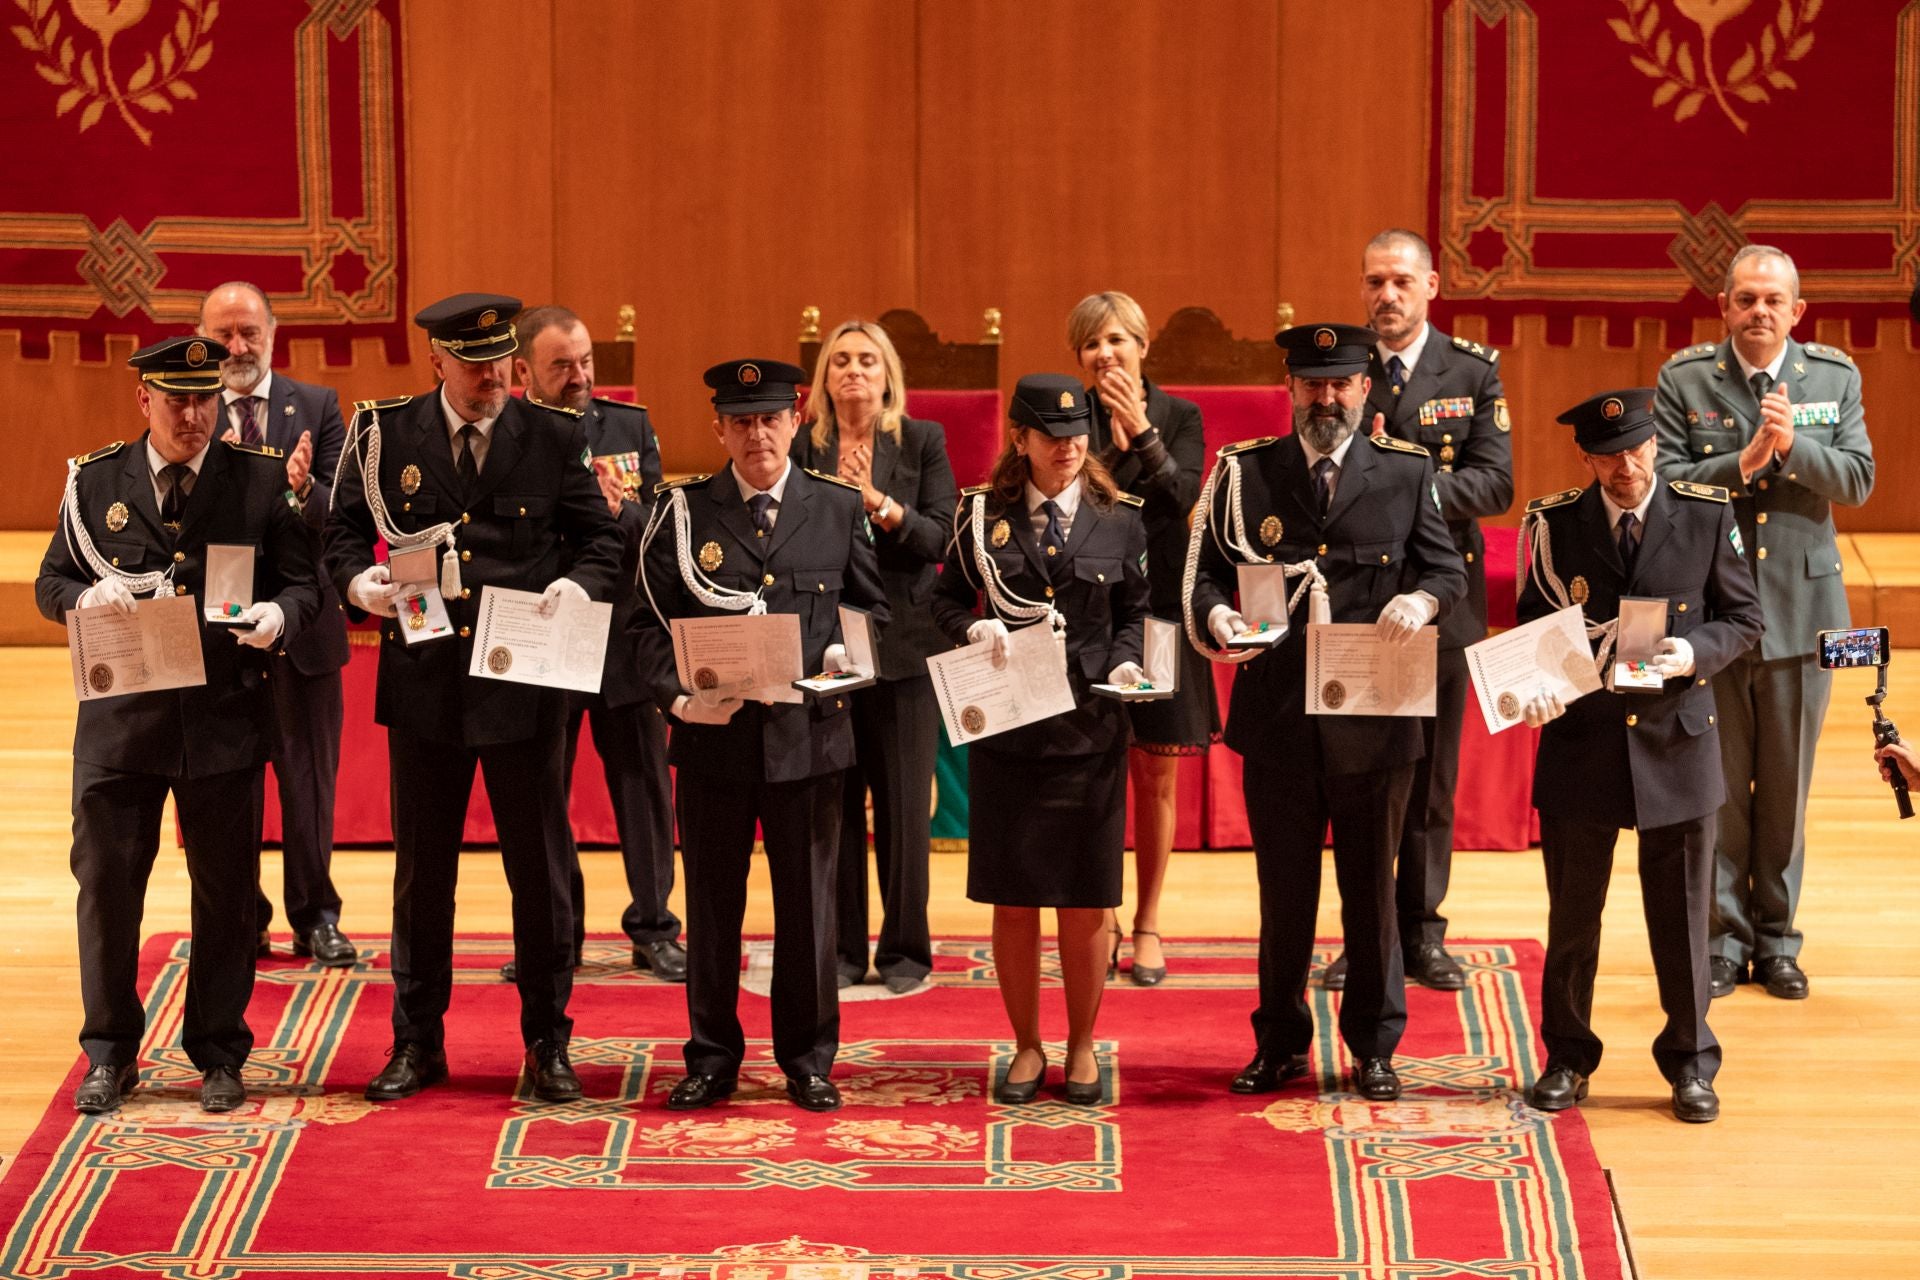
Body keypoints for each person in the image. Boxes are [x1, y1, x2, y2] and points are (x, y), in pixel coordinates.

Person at [323, 293, 624, 1103]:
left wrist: (574, 585)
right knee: (424, 875)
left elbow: (603, 538)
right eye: (475, 362)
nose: (492, 376)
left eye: (500, 361)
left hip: (524, 686)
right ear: (438, 362)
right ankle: (417, 1043)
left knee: (541, 870)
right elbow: (342, 529)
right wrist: (361, 582)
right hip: (425, 683)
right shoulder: (386, 434)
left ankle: (547, 1042)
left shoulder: (554, 436)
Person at [36, 337, 321, 1114]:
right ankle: (109, 1051)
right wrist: (79, 602)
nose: (193, 415)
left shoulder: (257, 481)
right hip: (120, 724)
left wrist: (278, 616)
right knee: (106, 890)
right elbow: (52, 579)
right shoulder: (96, 482)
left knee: (226, 896)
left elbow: (304, 585)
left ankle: (219, 1050)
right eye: (177, 400)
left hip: (221, 721)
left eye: (205, 399)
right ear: (145, 402)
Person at [1186, 322, 1465, 1102]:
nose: (1327, 398)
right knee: (1284, 894)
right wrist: (1217, 620)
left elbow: (1448, 570)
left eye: (1341, 384)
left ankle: (1375, 1046)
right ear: (1291, 390)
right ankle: (1279, 1043)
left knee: (1373, 892)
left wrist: (1421, 595)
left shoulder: (1405, 473)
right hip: (1278, 717)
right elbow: (1204, 576)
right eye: (1312, 385)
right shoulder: (1245, 475)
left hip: (1377, 716)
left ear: (1365, 390)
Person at [631, 358, 888, 1114]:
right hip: (715, 742)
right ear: (718, 428)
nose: (757, 435)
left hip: (809, 740)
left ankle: (808, 1059)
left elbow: (871, 613)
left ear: (796, 419)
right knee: (713, 907)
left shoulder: (837, 508)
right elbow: (644, 631)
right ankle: (712, 1057)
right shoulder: (681, 514)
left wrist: (848, 659)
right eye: (740, 421)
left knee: (809, 908)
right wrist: (678, 700)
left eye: (770, 418)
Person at [1518, 387, 1763, 1123]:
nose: (1626, 465)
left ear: (1656, 445)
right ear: (1586, 457)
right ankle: (1566, 1056)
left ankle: (1690, 1061)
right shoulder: (1553, 524)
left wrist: (1694, 651)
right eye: (1609, 454)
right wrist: (1531, 686)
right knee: (1573, 920)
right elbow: (1535, 625)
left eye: (1636, 449)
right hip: (1582, 744)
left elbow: (1745, 617)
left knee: (1685, 918)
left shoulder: (1706, 512)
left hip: (1676, 742)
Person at [1653, 244, 1875, 1000]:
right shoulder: (1686, 380)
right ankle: (1722, 940)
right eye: (1746, 299)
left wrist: (1794, 447)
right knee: (1718, 788)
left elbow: (1860, 478)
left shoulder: (1833, 378)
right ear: (1723, 307)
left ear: (1796, 311)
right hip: (1717, 617)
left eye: (1773, 300)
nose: (1759, 312)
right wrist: (1741, 464)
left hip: (1805, 615)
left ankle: (1778, 939)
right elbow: (1666, 482)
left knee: (1786, 790)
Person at [932, 375, 1151, 1105]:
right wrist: (971, 625)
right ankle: (1026, 1045)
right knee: (1015, 899)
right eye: (1050, 436)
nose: (1067, 448)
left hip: (1090, 731)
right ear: (1020, 441)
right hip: (1009, 733)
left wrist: (1126, 656)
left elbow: (1136, 612)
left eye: (1077, 435)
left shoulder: (1117, 517)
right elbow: (939, 599)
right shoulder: (978, 517)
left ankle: (1083, 1045)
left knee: (1086, 901)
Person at [1319, 230, 1513, 993]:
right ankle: (1363, 936)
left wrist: (1400, 488)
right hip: (1358, 611)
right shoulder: (1340, 372)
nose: (1386, 295)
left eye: (1401, 281)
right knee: (1361, 782)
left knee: (1431, 781)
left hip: (1440, 604)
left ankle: (1423, 932)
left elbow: (1495, 484)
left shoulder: (1470, 371)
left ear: (1432, 287)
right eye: (1374, 281)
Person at [504, 304, 684, 984]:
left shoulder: (629, 427)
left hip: (623, 632)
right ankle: (557, 934)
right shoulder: (511, 434)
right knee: (542, 786)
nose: (579, 376)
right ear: (524, 371)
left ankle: (654, 927)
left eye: (585, 362)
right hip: (547, 632)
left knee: (642, 785)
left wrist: (624, 512)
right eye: (561, 366)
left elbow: (661, 524)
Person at [791, 320, 957, 994]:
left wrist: (879, 505)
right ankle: (841, 950)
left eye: (867, 360)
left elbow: (939, 538)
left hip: (906, 644)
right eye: (840, 361)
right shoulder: (804, 446)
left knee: (902, 806)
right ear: (825, 379)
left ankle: (905, 951)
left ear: (888, 375)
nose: (854, 370)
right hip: (829, 643)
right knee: (834, 801)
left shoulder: (920, 442)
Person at [196, 281, 357, 969]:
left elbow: (345, 511)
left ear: (273, 333)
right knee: (228, 784)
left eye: (248, 332)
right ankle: (242, 916)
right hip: (221, 631)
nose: (236, 346)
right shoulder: (188, 404)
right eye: (224, 333)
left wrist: (302, 490)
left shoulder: (316, 406)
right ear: (202, 335)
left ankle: (315, 914)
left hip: (304, 627)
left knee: (307, 784)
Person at [1068, 291, 1214, 987]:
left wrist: (1140, 429)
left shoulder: (1181, 416)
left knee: (1156, 770)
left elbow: (1182, 496)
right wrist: (1105, 436)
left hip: (1157, 613)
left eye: (1119, 340)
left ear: (1144, 346)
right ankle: (1100, 912)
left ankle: (1150, 920)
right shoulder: (1067, 416)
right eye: (1093, 344)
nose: (1107, 355)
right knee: (1092, 768)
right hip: (1090, 615)